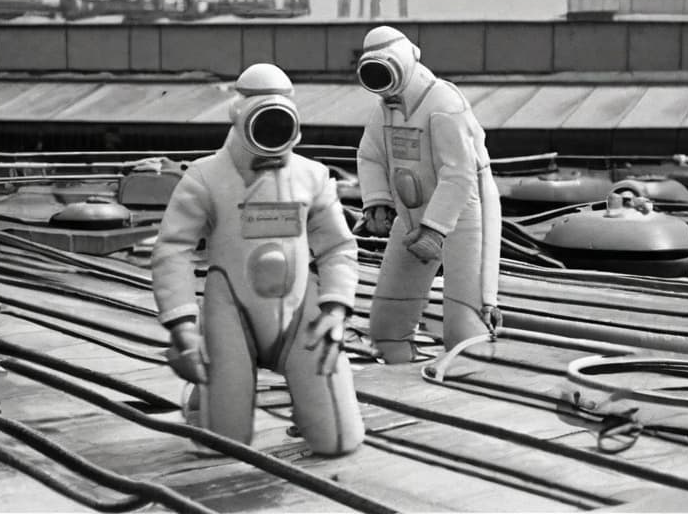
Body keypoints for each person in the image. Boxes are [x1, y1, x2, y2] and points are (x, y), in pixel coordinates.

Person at [151, 63, 364, 455]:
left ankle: (304, 401)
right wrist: (182, 323)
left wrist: (335, 309)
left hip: (302, 313)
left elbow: (337, 247)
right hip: (231, 311)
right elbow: (172, 249)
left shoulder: (313, 177)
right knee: (222, 444)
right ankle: (208, 396)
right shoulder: (205, 177)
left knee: (338, 442)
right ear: (239, 115)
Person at [355, 26, 502, 364]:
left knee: (466, 330)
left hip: (464, 216)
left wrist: (436, 228)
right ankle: (402, 379)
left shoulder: (444, 105)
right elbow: (371, 155)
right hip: (412, 215)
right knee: (387, 328)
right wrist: (377, 200)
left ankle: (470, 384)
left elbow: (460, 172)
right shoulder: (387, 108)